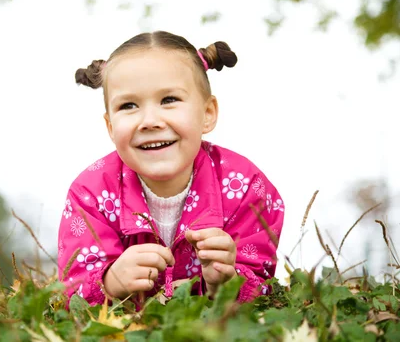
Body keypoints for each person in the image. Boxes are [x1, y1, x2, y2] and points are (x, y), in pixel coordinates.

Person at [57, 31, 285, 307]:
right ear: (110, 126)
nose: (150, 121)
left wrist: (228, 283)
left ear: (208, 114)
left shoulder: (245, 186)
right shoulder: (90, 194)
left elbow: (264, 287)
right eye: (129, 105)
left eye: (169, 100)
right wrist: (110, 282)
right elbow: (71, 292)